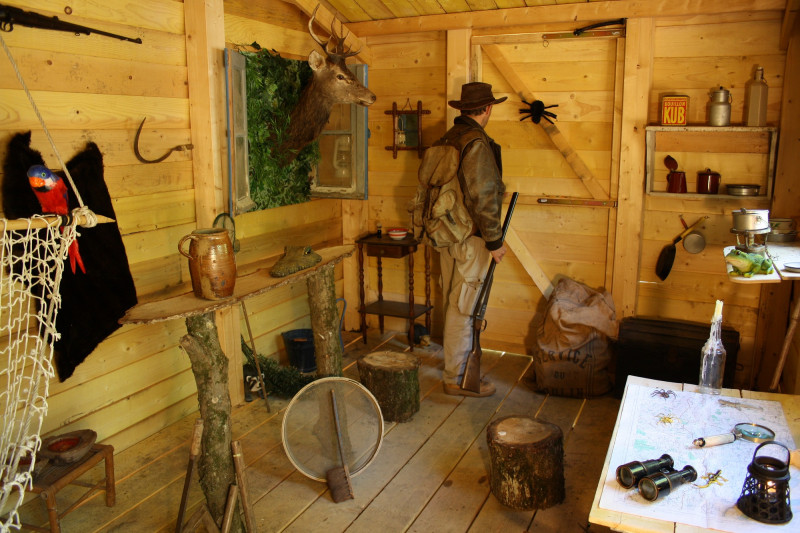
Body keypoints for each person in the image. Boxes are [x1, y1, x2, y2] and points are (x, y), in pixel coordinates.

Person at [437, 82, 508, 398]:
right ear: (488, 108)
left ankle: (453, 369)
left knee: (454, 303)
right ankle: (457, 378)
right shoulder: (476, 143)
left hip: (447, 235)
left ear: (463, 108)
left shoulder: (448, 138)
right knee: (464, 307)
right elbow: (483, 196)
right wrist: (495, 242)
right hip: (471, 237)